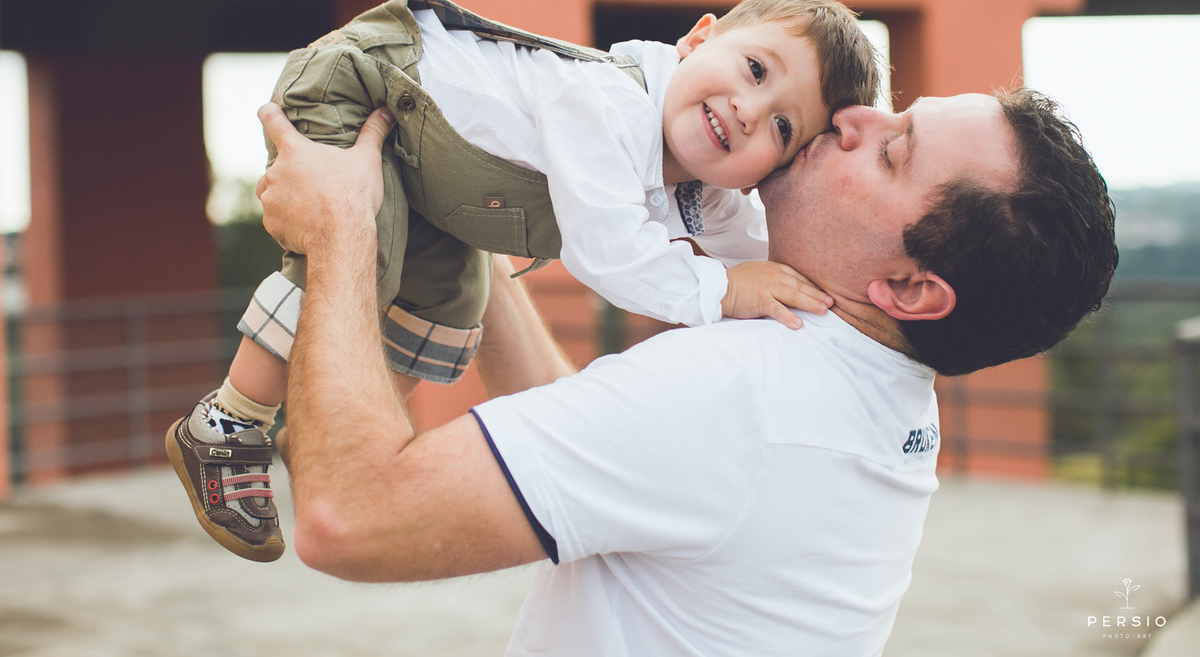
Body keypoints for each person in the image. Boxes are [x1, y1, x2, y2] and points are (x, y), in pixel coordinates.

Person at [254, 86, 1117, 656]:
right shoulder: (866, 388)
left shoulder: (746, 389)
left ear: (909, 287)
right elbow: (596, 448)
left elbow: (350, 518)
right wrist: (468, 224)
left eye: (892, 152)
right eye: (897, 114)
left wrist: (340, 228)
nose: (855, 117)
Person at [166, 0, 881, 562]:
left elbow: (768, 258)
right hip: (371, 87)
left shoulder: (708, 193)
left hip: (433, 182)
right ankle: (229, 420)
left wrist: (814, 279)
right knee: (354, 264)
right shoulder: (607, 103)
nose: (750, 111)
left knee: (453, 308)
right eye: (755, 71)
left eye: (784, 128)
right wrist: (725, 290)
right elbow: (613, 252)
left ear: (774, 170)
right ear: (699, 39)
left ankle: (340, 429)